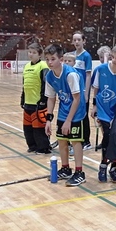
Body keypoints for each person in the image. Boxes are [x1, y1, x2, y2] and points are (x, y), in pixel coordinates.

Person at [44, 44, 88, 187]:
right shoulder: (49, 76)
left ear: (61, 59)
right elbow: (51, 98)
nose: (49, 62)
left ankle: (79, 172)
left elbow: (77, 99)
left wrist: (69, 121)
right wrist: (48, 119)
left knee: (75, 141)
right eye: (47, 59)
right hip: (63, 111)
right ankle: (65, 168)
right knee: (62, 140)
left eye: (53, 59)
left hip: (77, 112)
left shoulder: (71, 75)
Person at [91, 43, 116, 183]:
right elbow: (96, 89)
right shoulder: (101, 69)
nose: (114, 60)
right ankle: (103, 165)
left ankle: (113, 167)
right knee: (107, 136)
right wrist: (94, 106)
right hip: (102, 108)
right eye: (112, 57)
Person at [20, 43, 52, 154]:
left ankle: (43, 147)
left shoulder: (43, 66)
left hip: (38, 103)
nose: (31, 54)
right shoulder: (26, 66)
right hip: (28, 102)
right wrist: (23, 98)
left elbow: (45, 84)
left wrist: (43, 99)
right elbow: (25, 84)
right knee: (27, 128)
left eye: (34, 52)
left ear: (39, 54)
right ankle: (32, 145)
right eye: (29, 52)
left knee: (39, 128)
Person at [72, 31, 93, 151]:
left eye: (79, 40)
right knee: (75, 114)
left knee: (84, 115)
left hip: (83, 90)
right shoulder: (72, 55)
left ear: (83, 41)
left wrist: (86, 92)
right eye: (74, 40)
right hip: (74, 90)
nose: (76, 42)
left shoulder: (86, 56)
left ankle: (86, 141)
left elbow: (88, 75)